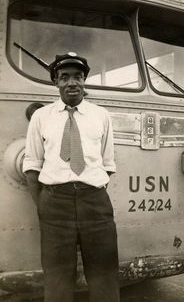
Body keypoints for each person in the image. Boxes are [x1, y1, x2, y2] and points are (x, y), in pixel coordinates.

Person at [23, 52, 120, 302]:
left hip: (95, 203)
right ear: (56, 82)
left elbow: (107, 165)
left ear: (85, 79)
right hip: (55, 204)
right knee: (57, 279)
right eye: (64, 77)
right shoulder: (41, 117)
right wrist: (46, 205)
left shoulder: (101, 116)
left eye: (77, 77)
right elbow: (32, 167)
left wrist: (88, 191)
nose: (71, 83)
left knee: (104, 276)